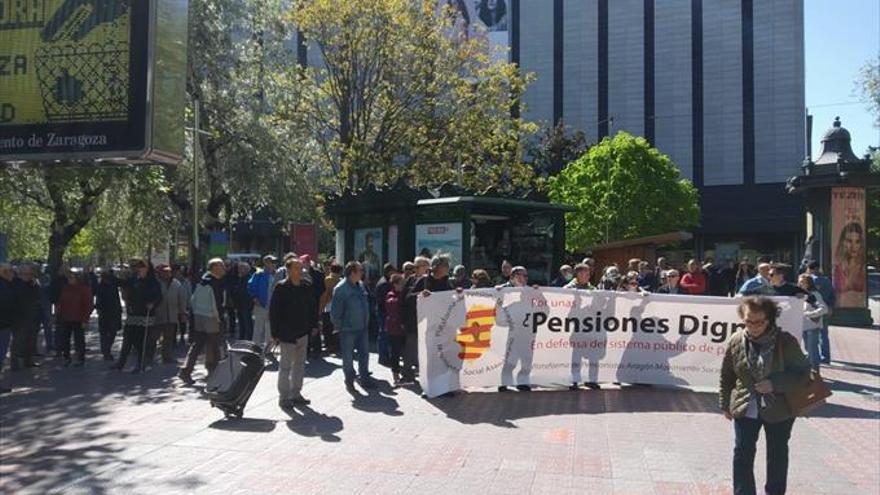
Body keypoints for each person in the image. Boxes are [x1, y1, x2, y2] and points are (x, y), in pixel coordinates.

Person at [720, 297, 810, 495]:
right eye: (748, 321)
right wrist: (725, 403)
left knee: (777, 454)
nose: (753, 326)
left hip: (780, 407)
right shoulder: (736, 340)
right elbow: (727, 374)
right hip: (746, 406)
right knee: (742, 452)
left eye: (759, 321)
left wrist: (774, 384)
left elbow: (803, 372)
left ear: (769, 320)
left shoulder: (785, 341)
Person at [270, 257, 318, 409]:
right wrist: (274, 333)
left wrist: (314, 325)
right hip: (286, 333)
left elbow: (312, 307)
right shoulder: (281, 287)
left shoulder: (306, 286)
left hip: (303, 331)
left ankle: (296, 393)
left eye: (301, 267)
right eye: (297, 268)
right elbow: (274, 311)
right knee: (285, 366)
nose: (300, 270)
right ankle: (284, 397)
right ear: (288, 270)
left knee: (299, 365)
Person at [178, 259, 226, 384]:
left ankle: (186, 371)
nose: (224, 268)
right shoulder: (214, 282)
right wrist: (218, 317)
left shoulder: (202, 279)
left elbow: (193, 299)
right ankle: (213, 370)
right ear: (214, 267)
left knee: (197, 344)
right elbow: (216, 303)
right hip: (211, 316)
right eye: (221, 266)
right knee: (213, 344)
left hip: (199, 315)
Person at [331, 261, 375, 390]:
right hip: (347, 329)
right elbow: (335, 312)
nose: (362, 273)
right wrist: (339, 326)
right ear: (352, 272)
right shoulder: (340, 289)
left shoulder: (360, 285)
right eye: (360, 270)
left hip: (362, 327)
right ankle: (349, 379)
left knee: (364, 354)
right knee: (348, 356)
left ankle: (365, 378)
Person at [114, 260, 162, 373]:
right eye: (138, 267)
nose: (139, 269)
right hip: (133, 314)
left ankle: (140, 364)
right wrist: (112, 278)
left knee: (141, 341)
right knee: (127, 339)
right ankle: (121, 362)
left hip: (145, 315)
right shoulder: (134, 280)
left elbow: (159, 297)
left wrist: (153, 304)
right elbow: (123, 283)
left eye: (141, 267)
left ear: (147, 269)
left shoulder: (153, 282)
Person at [496, 265, 532, 392]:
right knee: (510, 358)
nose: (524, 278)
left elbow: (544, 308)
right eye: (522, 275)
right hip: (509, 331)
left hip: (527, 332)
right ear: (513, 277)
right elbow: (497, 311)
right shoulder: (502, 290)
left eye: (526, 276)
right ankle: (504, 382)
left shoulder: (531, 291)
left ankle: (522, 382)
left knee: (526, 358)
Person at [400, 256, 431, 382]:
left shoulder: (429, 280)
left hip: (426, 320)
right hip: (411, 320)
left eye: (418, 267)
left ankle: (425, 373)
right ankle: (407, 373)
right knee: (410, 347)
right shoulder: (410, 279)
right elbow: (404, 297)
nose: (415, 270)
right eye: (414, 267)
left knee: (425, 349)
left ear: (426, 267)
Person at [57, 270, 93, 367]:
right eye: (68, 278)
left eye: (71, 278)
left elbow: (88, 305)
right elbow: (61, 302)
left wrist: (85, 319)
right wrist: (59, 313)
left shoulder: (84, 289)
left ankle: (80, 358)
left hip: (79, 318)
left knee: (79, 340)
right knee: (65, 339)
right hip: (66, 317)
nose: (69, 280)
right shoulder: (66, 288)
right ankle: (66, 357)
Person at [153, 264, 188, 365]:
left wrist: (182, 312)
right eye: (164, 272)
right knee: (153, 337)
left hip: (172, 315)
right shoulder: (156, 283)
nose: (166, 273)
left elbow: (182, 299)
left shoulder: (176, 284)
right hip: (158, 315)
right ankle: (148, 356)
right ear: (159, 272)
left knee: (168, 339)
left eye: (168, 271)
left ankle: (167, 357)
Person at [11, 264, 41, 370]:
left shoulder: (32, 283)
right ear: (21, 274)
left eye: (30, 274)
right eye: (27, 274)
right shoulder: (15, 283)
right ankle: (14, 362)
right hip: (19, 316)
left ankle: (28, 360)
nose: (29, 276)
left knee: (30, 339)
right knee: (18, 340)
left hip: (31, 315)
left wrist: (34, 284)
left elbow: (37, 296)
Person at [248, 255, 278, 357]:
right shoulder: (259, 274)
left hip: (273, 306)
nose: (273, 264)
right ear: (265, 263)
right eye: (271, 262)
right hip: (261, 305)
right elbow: (251, 286)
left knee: (270, 329)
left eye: (274, 262)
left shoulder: (277, 275)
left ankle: (268, 350)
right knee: (258, 328)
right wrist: (255, 298)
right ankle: (255, 348)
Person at [797, 274, 828, 372]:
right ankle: (810, 369)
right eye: (799, 282)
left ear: (809, 283)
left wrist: (809, 314)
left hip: (812, 326)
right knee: (807, 349)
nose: (801, 284)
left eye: (803, 282)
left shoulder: (814, 294)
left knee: (812, 350)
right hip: (803, 326)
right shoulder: (799, 294)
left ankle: (815, 370)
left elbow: (824, 309)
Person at [805, 261, 834, 364]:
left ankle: (813, 356)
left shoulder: (810, 280)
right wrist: (830, 306)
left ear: (811, 269)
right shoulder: (826, 280)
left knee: (813, 335)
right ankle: (826, 356)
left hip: (813, 310)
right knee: (824, 334)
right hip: (825, 308)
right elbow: (832, 294)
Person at [832, 222, 866, 307]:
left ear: (861, 244)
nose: (853, 246)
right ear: (843, 242)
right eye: (849, 241)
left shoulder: (862, 267)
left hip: (858, 308)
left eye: (857, 241)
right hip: (841, 308)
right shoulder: (838, 267)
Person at [94, 268, 122, 361]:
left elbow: (123, 282)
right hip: (104, 313)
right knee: (104, 333)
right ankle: (106, 351)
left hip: (114, 312)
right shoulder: (100, 287)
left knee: (113, 332)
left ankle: (107, 349)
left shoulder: (114, 283)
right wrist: (98, 309)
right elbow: (98, 299)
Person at [384, 274, 406, 385]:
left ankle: (406, 373)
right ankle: (395, 375)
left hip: (403, 328)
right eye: (401, 282)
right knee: (395, 352)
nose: (404, 284)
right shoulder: (390, 295)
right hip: (394, 329)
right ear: (395, 284)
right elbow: (393, 307)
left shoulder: (404, 293)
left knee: (405, 351)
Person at [318, 262, 343, 355]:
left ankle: (329, 345)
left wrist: (320, 307)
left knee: (327, 327)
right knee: (335, 328)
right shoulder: (341, 280)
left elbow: (324, 294)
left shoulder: (327, 279)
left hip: (328, 306)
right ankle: (336, 345)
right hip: (338, 307)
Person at [174, 266, 193, 345]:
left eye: (179, 272)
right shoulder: (173, 282)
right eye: (175, 272)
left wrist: (189, 304)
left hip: (184, 305)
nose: (177, 273)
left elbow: (189, 293)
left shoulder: (186, 282)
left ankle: (182, 337)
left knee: (183, 322)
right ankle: (173, 339)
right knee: (174, 323)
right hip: (174, 306)